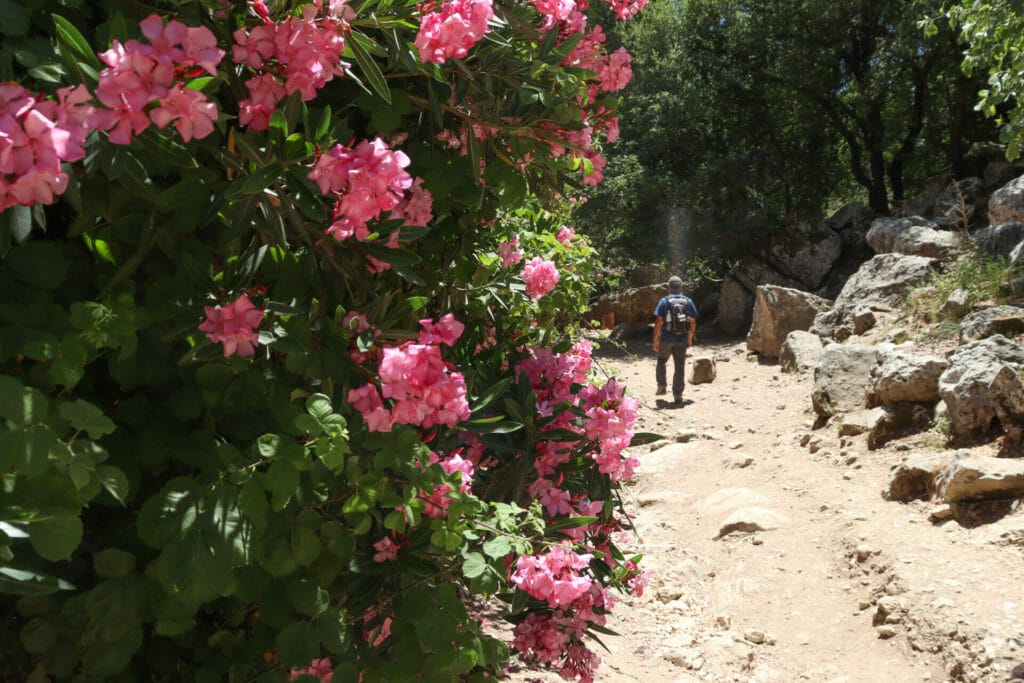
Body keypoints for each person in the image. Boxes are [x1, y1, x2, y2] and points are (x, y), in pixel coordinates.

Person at [652, 276, 698, 403]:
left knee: (661, 360)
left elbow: (658, 321)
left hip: (666, 338)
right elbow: (693, 322)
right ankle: (678, 394)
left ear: (669, 288)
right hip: (682, 338)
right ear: (681, 287)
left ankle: (662, 386)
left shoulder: (664, 301)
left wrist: (655, 340)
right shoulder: (688, 301)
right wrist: (690, 338)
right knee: (680, 365)